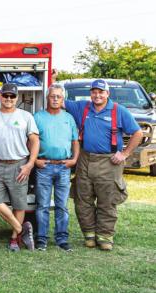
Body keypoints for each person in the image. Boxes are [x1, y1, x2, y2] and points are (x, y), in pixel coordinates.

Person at [62, 79, 142, 251]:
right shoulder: (82, 107)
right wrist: (53, 79)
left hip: (109, 162)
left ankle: (105, 237)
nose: (97, 95)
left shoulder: (118, 111)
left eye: (101, 92)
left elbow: (138, 133)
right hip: (85, 159)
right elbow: (58, 99)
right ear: (90, 93)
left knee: (107, 201)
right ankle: (89, 234)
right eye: (94, 92)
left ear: (107, 94)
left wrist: (125, 153)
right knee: (83, 200)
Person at [0, 83, 38, 251]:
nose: (8, 99)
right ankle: (21, 229)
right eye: (5, 96)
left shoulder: (26, 116)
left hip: (19, 165)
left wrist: (29, 164)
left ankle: (15, 239)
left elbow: (35, 141)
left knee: (19, 204)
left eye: (12, 96)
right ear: (0, 96)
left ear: (17, 98)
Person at [33, 84, 79, 252]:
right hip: (44, 166)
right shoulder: (37, 117)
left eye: (59, 96)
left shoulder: (68, 118)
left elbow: (75, 141)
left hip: (63, 167)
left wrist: (74, 159)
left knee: (62, 206)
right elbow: (30, 141)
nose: (55, 99)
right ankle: (42, 239)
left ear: (63, 99)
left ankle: (62, 239)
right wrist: (35, 160)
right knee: (42, 205)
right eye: (52, 96)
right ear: (47, 97)